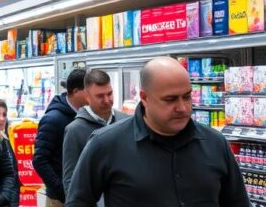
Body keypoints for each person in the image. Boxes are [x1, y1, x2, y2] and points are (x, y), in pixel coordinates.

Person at [65, 57, 249, 207]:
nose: (182, 107)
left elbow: (237, 202)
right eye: (170, 99)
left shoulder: (215, 143)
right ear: (145, 98)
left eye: (186, 97)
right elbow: (78, 201)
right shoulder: (105, 144)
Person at [61, 69, 129, 200]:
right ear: (87, 96)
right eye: (100, 96)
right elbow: (70, 180)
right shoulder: (75, 130)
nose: (107, 100)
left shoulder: (126, 121)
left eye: (109, 94)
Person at [34, 69, 87, 207]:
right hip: (60, 200)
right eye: (88, 90)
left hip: (84, 195)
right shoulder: (53, 119)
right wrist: (62, 191)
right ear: (75, 91)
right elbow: (40, 160)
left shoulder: (86, 115)